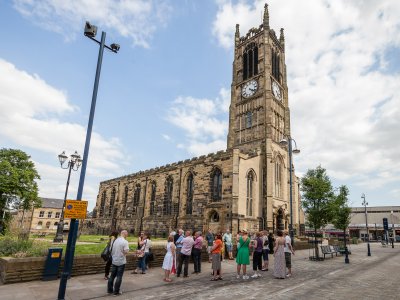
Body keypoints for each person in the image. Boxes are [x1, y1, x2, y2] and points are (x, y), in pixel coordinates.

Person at [107, 230, 129, 296]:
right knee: (119, 276)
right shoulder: (125, 241)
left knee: (112, 276)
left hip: (114, 260)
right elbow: (126, 251)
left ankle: (109, 290)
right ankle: (116, 292)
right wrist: (123, 253)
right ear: (124, 234)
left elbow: (111, 250)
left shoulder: (115, 240)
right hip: (121, 261)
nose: (127, 235)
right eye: (127, 234)